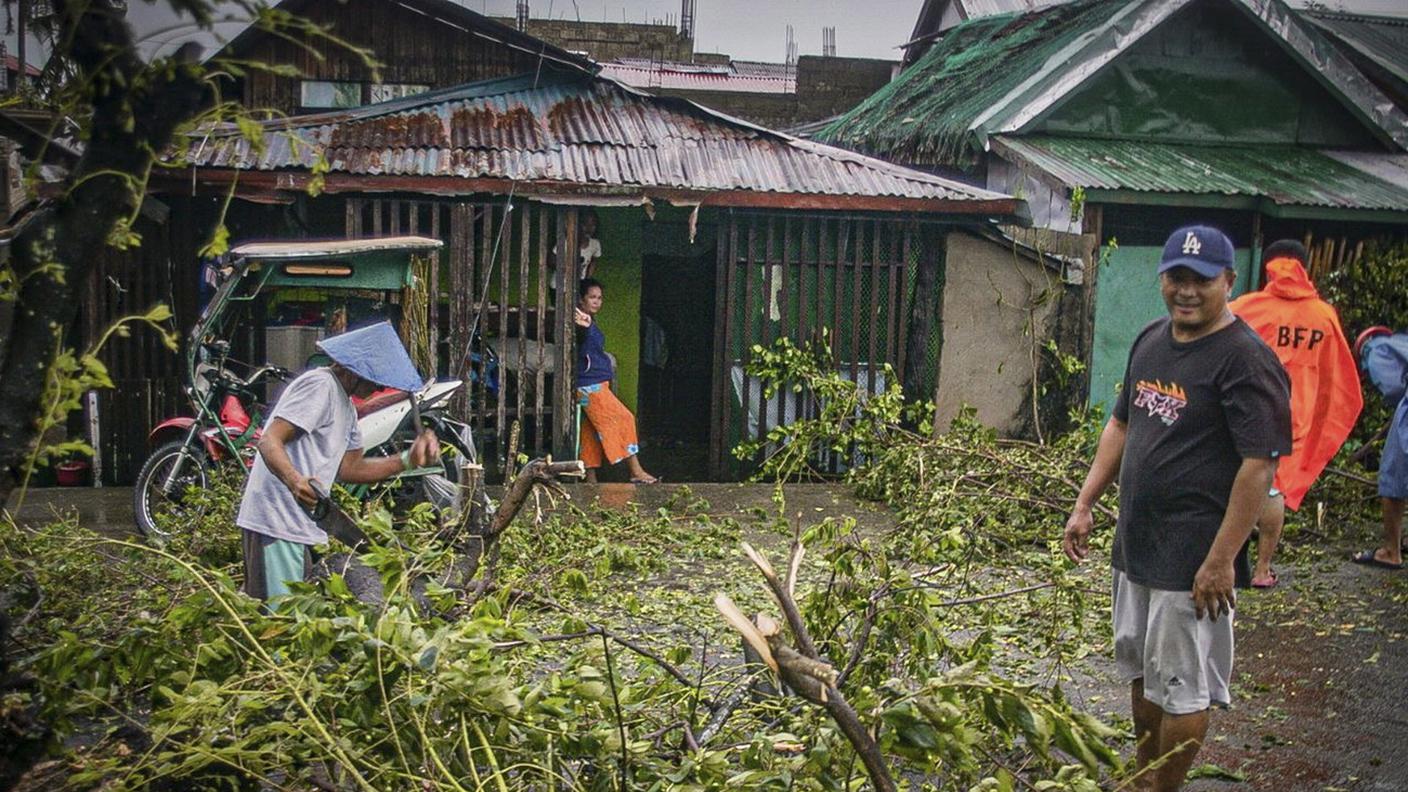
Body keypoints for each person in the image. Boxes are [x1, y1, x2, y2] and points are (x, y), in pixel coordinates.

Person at [1064, 225, 1291, 792]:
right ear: (1162, 279)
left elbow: (1258, 466)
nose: (1187, 291)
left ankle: (1166, 788)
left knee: (1183, 686)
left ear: (1229, 282)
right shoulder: (1151, 339)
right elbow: (1121, 424)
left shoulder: (1246, 360)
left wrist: (1221, 561)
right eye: (1177, 278)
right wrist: (1085, 502)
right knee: (1142, 672)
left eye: (1202, 280)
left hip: (1193, 558)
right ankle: (1145, 777)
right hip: (1137, 544)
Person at [236, 321, 440, 601]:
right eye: (373, 378)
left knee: (293, 617)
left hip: (299, 525)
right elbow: (269, 440)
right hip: (276, 521)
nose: (377, 385)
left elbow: (351, 468)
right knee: (279, 623)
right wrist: (295, 480)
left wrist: (407, 460)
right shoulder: (320, 386)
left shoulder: (347, 407)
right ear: (352, 368)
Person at [1228, 240, 1362, 587]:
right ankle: (1261, 570)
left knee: (1232, 484)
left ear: (1268, 267)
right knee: (1275, 490)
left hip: (1244, 412)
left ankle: (1225, 560)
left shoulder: (1246, 307)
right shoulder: (1323, 316)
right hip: (1292, 420)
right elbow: (1340, 380)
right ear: (1305, 267)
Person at [573, 278, 657, 485]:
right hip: (589, 385)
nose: (597, 302)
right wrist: (584, 325)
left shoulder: (590, 320)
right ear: (581, 300)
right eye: (592, 297)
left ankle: (590, 478)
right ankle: (635, 471)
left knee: (589, 432)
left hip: (592, 384)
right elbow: (580, 334)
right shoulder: (581, 321)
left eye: (599, 298)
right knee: (624, 419)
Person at [1352, 326, 1408, 571]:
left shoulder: (1374, 350)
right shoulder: (1401, 342)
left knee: (1394, 475)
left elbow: (1393, 387)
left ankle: (1391, 551)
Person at [552, 209, 602, 295]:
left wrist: (587, 279)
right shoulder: (566, 242)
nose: (589, 228)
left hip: (579, 286)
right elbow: (552, 259)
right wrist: (565, 268)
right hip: (559, 286)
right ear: (577, 224)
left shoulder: (595, 244)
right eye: (585, 224)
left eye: (593, 225)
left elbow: (594, 261)